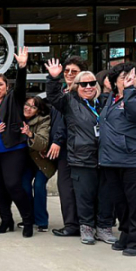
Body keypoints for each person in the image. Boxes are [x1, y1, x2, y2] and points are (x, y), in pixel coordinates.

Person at [47, 63, 116, 245]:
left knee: (106, 195)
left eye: (92, 83)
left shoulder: (106, 101)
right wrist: (54, 78)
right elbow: (53, 96)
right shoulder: (69, 102)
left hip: (106, 157)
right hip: (81, 157)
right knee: (84, 195)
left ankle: (104, 228)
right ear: (76, 86)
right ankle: (86, 228)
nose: (88, 87)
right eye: (83, 84)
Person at [99, 63, 136, 256]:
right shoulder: (113, 98)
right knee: (120, 202)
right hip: (112, 159)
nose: (127, 80)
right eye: (122, 77)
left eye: (130, 77)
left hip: (135, 159)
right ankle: (127, 235)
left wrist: (131, 90)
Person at [0, 48, 34, 237]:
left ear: (6, 86)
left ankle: (28, 221)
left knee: (13, 185)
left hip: (13, 149)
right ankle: (6, 220)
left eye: (0, 84)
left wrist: (22, 67)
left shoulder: (13, 99)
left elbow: (20, 87)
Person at [48, 56, 84, 238]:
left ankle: (75, 225)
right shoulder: (64, 91)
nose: (69, 74)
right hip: (64, 148)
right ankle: (73, 223)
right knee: (66, 187)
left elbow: (66, 121)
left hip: (74, 147)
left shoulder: (80, 94)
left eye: (74, 71)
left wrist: (57, 140)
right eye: (67, 71)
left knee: (71, 187)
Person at [21, 96, 55, 233]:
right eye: (27, 104)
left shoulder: (44, 120)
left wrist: (30, 134)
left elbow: (42, 143)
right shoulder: (18, 116)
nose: (28, 108)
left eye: (33, 107)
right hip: (27, 161)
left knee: (39, 186)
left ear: (38, 111)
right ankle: (29, 218)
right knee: (24, 186)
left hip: (42, 161)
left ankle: (42, 221)